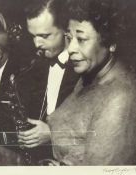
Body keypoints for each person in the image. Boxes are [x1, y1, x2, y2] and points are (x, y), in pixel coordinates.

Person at [45, 0, 136, 165]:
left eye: (81, 39)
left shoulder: (121, 101)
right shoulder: (87, 78)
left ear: (111, 44)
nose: (71, 48)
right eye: (68, 37)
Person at [17, 0, 79, 161]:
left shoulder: (84, 69)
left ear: (66, 30)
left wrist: (53, 134)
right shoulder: (36, 65)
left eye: (44, 36)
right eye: (33, 36)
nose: (37, 44)